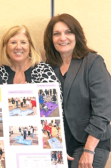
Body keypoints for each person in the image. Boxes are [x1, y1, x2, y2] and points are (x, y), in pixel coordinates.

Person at [44, 13, 111, 168]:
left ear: (77, 35)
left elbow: (103, 110)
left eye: (68, 32)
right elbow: (47, 110)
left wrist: (89, 150)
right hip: (60, 144)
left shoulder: (93, 62)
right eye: (56, 34)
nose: (62, 37)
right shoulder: (49, 68)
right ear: (51, 39)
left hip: (90, 142)